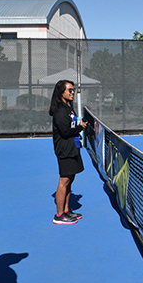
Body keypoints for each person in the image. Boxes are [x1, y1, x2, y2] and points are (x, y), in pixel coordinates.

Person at [49, 80, 87, 225]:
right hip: (65, 149)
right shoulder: (60, 110)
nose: (72, 92)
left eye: (73, 90)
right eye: (69, 90)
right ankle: (59, 215)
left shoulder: (68, 108)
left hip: (73, 147)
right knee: (64, 181)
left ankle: (66, 211)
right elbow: (65, 132)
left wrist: (78, 131)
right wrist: (80, 127)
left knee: (70, 180)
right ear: (61, 92)